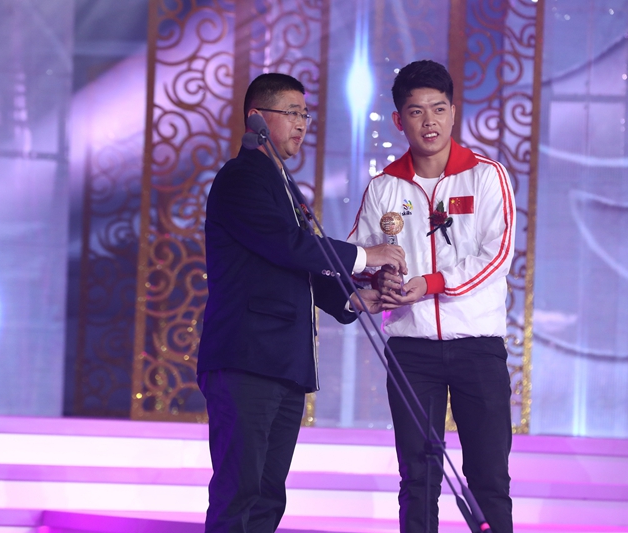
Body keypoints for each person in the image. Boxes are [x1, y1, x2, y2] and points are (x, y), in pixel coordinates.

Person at [197, 72, 406, 533]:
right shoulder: (241, 178)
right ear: (256, 117)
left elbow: (295, 265)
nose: (301, 124)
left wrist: (352, 299)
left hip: (283, 364)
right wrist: (367, 255)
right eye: (291, 113)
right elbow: (288, 246)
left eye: (305, 114)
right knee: (239, 493)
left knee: (268, 495)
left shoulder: (283, 184)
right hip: (247, 360)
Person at [347, 60, 515, 533]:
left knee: (488, 476)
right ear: (399, 120)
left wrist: (430, 283)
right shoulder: (384, 187)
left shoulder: (486, 176)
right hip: (411, 349)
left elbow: (497, 254)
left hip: (477, 346)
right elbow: (359, 254)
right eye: (416, 111)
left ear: (454, 112)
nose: (430, 122)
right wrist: (377, 281)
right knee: (418, 478)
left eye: (439, 109)